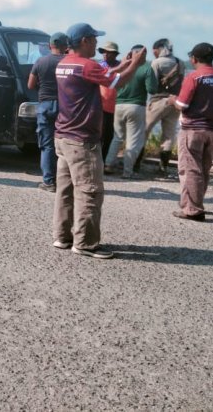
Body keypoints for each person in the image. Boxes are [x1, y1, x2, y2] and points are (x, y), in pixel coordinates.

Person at [53, 23, 146, 259]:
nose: (97, 44)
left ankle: (62, 236)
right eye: (94, 39)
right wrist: (135, 64)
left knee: (65, 190)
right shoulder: (87, 65)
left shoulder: (64, 63)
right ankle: (85, 243)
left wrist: (123, 64)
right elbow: (117, 83)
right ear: (84, 40)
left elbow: (102, 76)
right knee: (90, 191)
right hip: (82, 140)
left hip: (63, 135)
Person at [168, 43, 213, 221]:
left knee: (189, 169)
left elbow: (183, 105)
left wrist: (172, 100)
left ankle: (192, 209)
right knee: (203, 169)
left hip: (193, 129)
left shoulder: (194, 77)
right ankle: (195, 203)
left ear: (194, 58)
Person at [28, 32, 69, 192]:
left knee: (47, 146)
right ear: (66, 46)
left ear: (50, 45)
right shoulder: (68, 62)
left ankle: (48, 182)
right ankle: (65, 182)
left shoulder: (40, 61)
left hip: (45, 105)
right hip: (65, 106)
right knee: (65, 144)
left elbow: (30, 84)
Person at [104, 45, 151, 178]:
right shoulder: (147, 68)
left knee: (117, 137)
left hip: (118, 105)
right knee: (133, 140)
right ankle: (127, 171)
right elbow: (152, 89)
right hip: (136, 106)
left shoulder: (122, 66)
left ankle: (108, 164)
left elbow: (112, 81)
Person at [142, 38, 186, 175]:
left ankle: (136, 163)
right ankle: (163, 167)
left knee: (144, 130)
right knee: (169, 134)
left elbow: (152, 85)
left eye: (154, 50)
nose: (153, 53)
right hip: (174, 101)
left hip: (158, 101)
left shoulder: (156, 63)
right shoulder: (180, 63)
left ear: (159, 49)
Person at [97, 41, 121, 160]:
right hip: (100, 105)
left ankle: (105, 159)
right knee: (99, 134)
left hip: (115, 107)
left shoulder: (121, 67)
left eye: (108, 53)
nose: (105, 55)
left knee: (110, 135)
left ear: (115, 54)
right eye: (104, 52)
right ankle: (98, 159)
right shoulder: (100, 66)